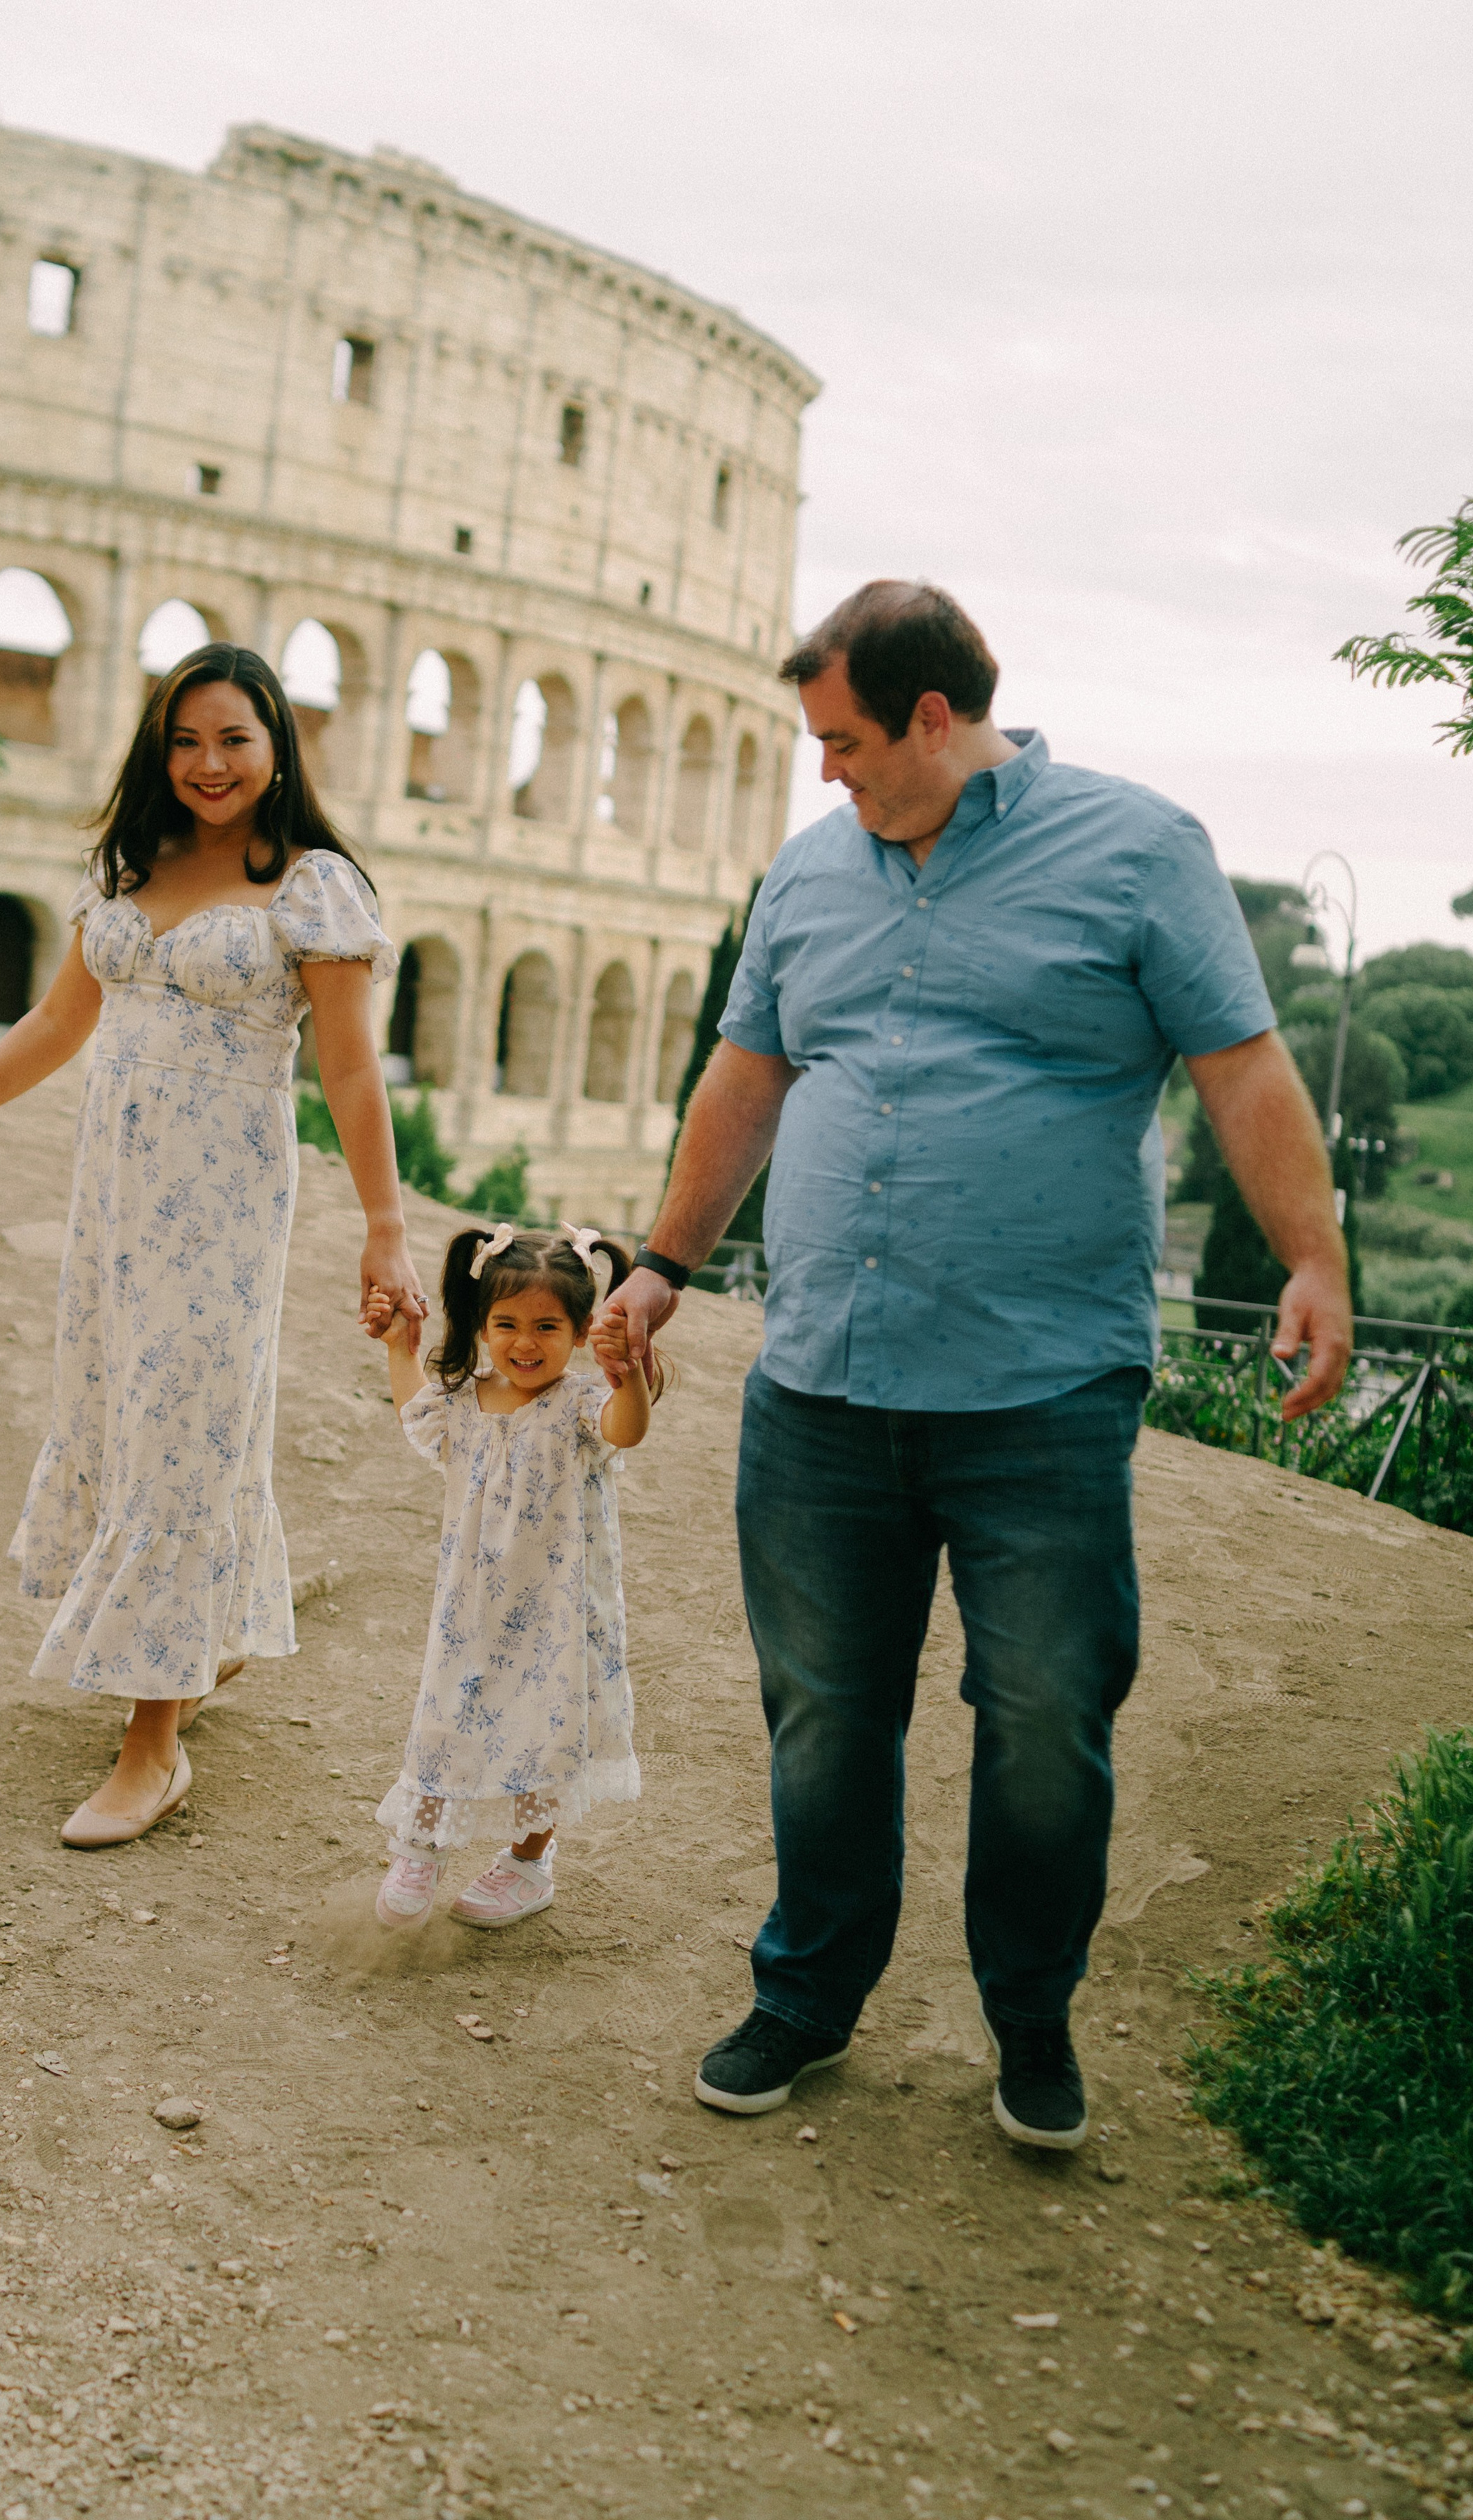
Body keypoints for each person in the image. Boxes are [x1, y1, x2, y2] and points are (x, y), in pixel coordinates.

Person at [602, 579, 1352, 2149]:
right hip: (818, 1385)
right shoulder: (806, 879)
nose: (827, 773)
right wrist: (665, 1263)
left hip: (1038, 1396)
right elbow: (741, 1084)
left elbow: (1241, 1064)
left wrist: (1310, 1258)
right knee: (820, 1711)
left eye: (845, 740)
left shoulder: (1142, 852)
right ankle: (805, 1996)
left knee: (1039, 1721)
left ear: (934, 718)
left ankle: (1029, 2021)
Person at [0, 643, 427, 1849]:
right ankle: (194, 1639)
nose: (208, 763)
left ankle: (152, 1743)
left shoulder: (311, 885)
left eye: (233, 738)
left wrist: (386, 1228)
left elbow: (346, 1068)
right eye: (185, 739)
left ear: (278, 746)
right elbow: (61, 1019)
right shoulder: (131, 863)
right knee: (129, 1415)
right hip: (115, 1199)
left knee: (183, 1433)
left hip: (224, 1205)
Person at [362, 1223, 655, 1929]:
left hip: (557, 1615)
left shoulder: (582, 1406)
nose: (525, 1343)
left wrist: (629, 1374)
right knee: (444, 1719)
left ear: (582, 1329)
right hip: (468, 1611)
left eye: (547, 1326)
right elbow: (413, 1412)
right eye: (507, 1324)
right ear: (482, 1323)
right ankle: (420, 1846)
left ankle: (528, 1862)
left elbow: (626, 1429)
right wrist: (398, 1344)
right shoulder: (461, 1402)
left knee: (545, 1730)